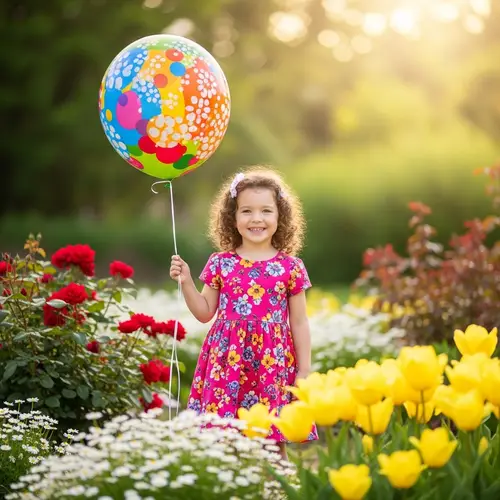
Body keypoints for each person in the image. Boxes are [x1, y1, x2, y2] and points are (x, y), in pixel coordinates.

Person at [170, 167, 317, 458]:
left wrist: (303, 369)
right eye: (247, 211)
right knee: (225, 434)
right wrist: (186, 281)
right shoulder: (221, 263)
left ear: (280, 216)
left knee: (275, 437)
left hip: (272, 362)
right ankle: (232, 485)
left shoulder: (291, 267)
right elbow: (203, 312)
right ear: (233, 218)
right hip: (227, 360)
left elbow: (299, 322)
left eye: (266, 211)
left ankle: (279, 488)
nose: (257, 219)